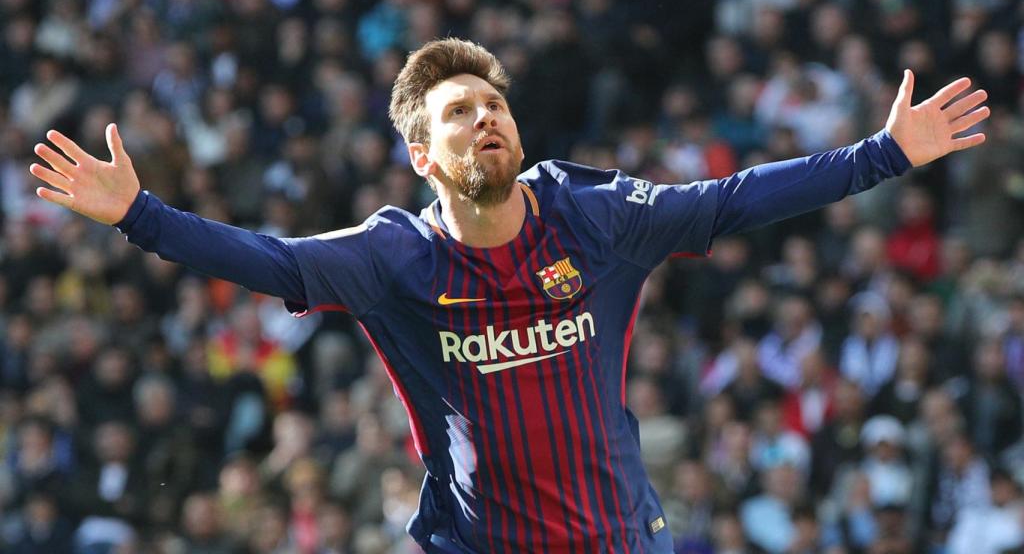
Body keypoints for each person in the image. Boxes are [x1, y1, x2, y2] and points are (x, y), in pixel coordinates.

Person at [28, 38, 989, 553]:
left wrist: (883, 155)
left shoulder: (597, 218)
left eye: (494, 103)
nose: (486, 117)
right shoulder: (391, 258)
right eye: (459, 112)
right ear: (422, 155)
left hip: (622, 541)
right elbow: (272, 261)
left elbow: (733, 199)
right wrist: (139, 215)